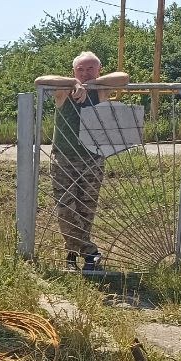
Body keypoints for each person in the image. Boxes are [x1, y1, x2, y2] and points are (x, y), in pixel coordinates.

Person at [35, 52, 130, 271]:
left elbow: (124, 77)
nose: (85, 73)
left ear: (99, 70)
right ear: (73, 71)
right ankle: (91, 252)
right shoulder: (64, 90)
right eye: (80, 69)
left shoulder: (102, 90)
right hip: (64, 159)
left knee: (86, 210)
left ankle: (75, 256)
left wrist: (92, 84)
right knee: (65, 208)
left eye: (90, 69)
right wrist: (74, 83)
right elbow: (40, 80)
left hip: (93, 159)